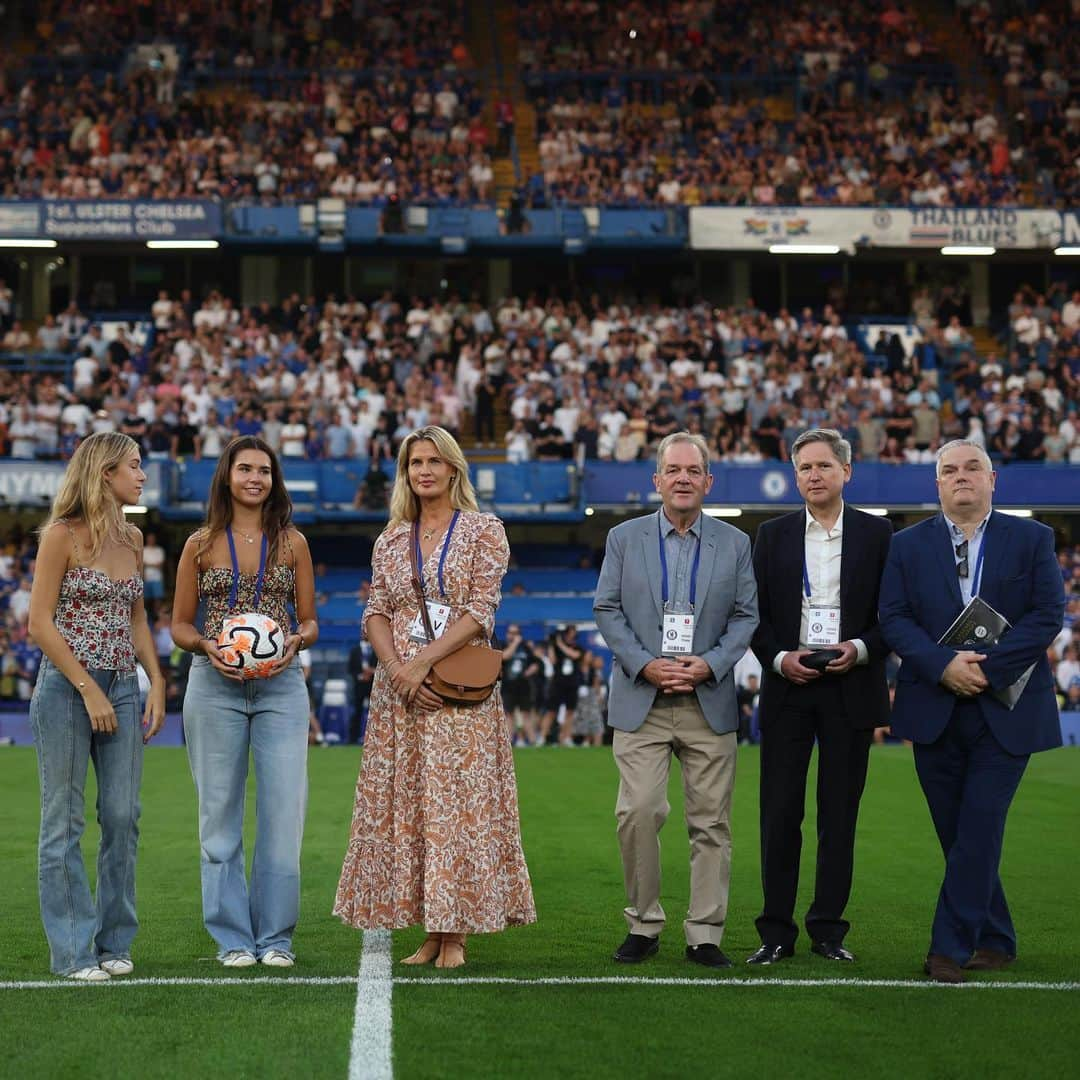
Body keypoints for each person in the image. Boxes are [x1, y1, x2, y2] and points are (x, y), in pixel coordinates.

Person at [334, 426, 535, 968]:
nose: (423, 470)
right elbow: (375, 610)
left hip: (461, 695)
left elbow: (481, 610)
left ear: (454, 469)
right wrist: (400, 670)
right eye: (414, 462)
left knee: (459, 808)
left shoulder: (484, 531)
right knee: (413, 808)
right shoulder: (391, 538)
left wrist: (423, 663)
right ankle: (430, 927)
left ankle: (456, 934)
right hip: (399, 697)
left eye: (433, 460)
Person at [879, 439, 1064, 984]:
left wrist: (986, 668)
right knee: (957, 833)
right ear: (937, 483)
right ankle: (997, 938)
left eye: (972, 468)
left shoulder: (1032, 537)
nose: (962, 477)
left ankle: (948, 948)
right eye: (950, 470)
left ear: (992, 479)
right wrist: (943, 666)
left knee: (980, 827)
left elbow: (1047, 613)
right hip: (934, 705)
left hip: (1007, 707)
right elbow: (893, 617)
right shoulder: (906, 545)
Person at [593, 431, 759, 969]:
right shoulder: (623, 537)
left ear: (708, 481)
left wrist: (710, 663)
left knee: (711, 822)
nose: (683, 478)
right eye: (674, 470)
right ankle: (643, 923)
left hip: (707, 698)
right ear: (657, 480)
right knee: (637, 811)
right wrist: (645, 662)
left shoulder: (735, 543)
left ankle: (704, 934)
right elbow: (607, 610)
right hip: (642, 695)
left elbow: (746, 617)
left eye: (694, 471)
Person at [171, 435, 319, 969]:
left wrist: (296, 641)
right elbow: (180, 625)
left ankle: (276, 938)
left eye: (264, 471)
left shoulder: (294, 542)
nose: (255, 479)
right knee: (219, 816)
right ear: (227, 477)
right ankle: (234, 937)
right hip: (213, 685)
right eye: (245, 469)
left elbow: (309, 620)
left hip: (281, 687)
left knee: (283, 814)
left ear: (274, 480)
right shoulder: (199, 543)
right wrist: (207, 645)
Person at [747, 429, 893, 966]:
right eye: (805, 467)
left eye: (824, 466)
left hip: (850, 687)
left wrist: (858, 649)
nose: (814, 475)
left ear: (846, 472)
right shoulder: (773, 535)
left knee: (839, 814)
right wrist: (779, 657)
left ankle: (828, 929)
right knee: (780, 813)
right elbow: (754, 615)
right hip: (790, 687)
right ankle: (776, 932)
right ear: (795, 475)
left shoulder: (879, 535)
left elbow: (892, 617)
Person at [26, 432, 166, 981]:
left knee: (122, 817)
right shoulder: (60, 536)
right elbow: (39, 623)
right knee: (63, 822)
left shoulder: (131, 537)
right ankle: (73, 953)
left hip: (123, 686)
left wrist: (155, 678)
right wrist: (88, 688)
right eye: (134, 465)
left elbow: (136, 617)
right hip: (67, 689)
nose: (142, 475)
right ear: (104, 473)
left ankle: (114, 942)